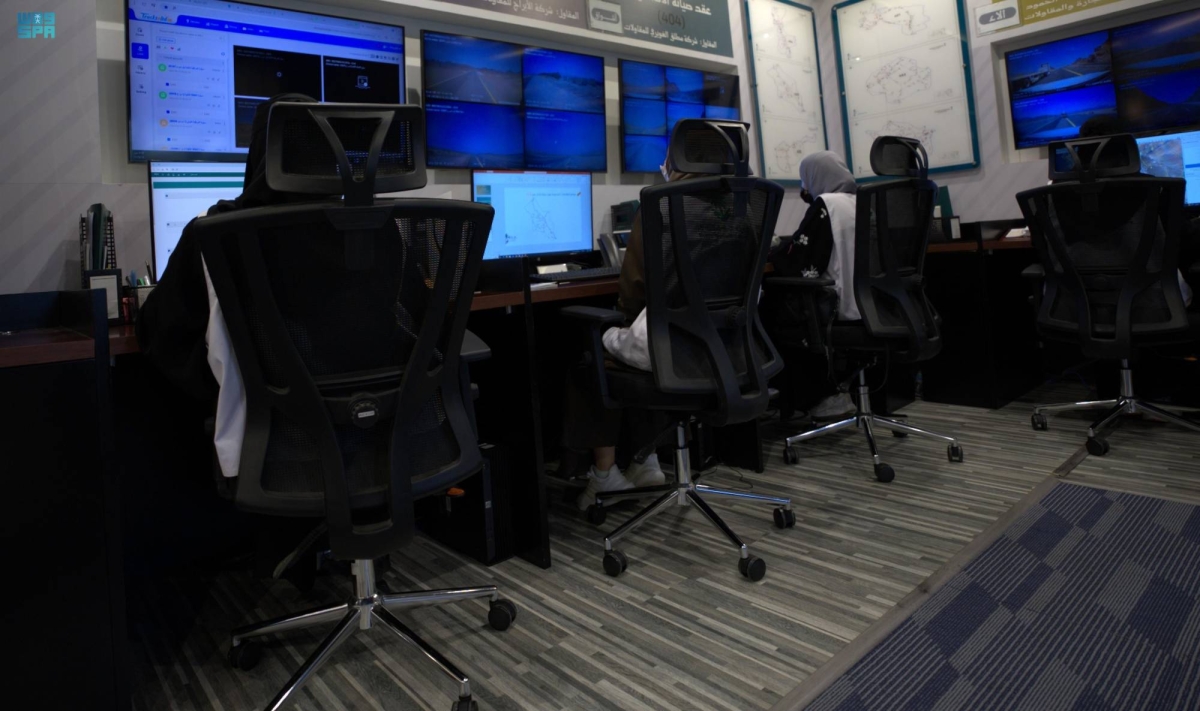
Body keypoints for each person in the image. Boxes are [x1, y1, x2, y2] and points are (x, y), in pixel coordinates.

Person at [138, 93, 336, 476]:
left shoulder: (217, 230)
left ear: (259, 153)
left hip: (269, 451)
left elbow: (159, 332)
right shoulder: (377, 229)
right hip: (376, 438)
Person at [762, 151, 860, 419]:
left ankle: (809, 398)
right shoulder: (859, 202)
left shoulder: (826, 204)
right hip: (867, 304)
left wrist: (771, 253)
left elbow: (800, 258)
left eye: (805, 179)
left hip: (834, 303)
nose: (803, 187)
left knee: (768, 306)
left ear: (816, 177)